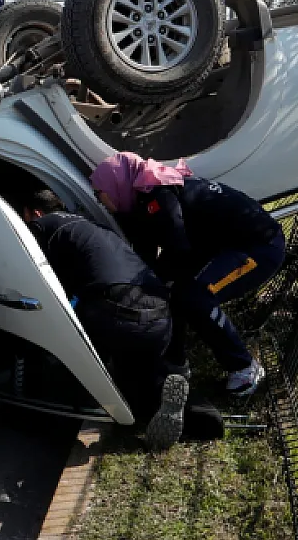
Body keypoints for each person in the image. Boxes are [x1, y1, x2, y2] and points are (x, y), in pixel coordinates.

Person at [92, 152, 285, 396]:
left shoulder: (158, 195)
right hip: (223, 245)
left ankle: (244, 368)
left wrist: (159, 281)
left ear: (117, 184)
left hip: (259, 247)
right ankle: (174, 363)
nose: (100, 201)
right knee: (172, 290)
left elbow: (177, 247)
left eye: (101, 193)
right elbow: (151, 251)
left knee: (195, 296)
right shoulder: (147, 191)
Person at [20, 189, 186, 449]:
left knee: (65, 349)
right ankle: (160, 400)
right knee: (135, 376)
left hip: (116, 314)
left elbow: (28, 273)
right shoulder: (92, 225)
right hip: (160, 316)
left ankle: (57, 420)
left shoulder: (42, 226)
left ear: (36, 213)